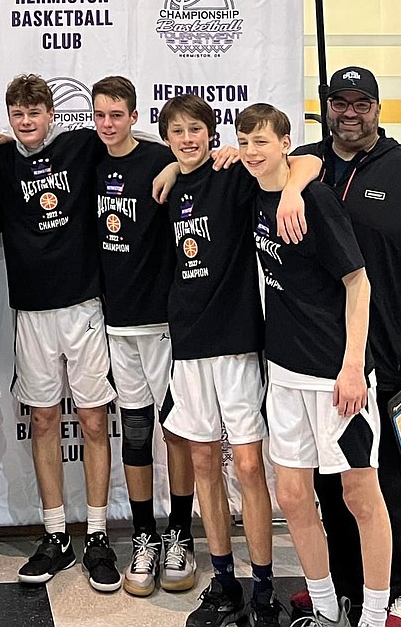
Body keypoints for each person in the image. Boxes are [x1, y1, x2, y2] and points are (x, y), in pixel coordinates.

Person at [291, 67, 401, 627]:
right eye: (338, 102)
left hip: (390, 358)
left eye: (360, 102)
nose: (349, 112)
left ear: (377, 107)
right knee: (334, 479)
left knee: (394, 480)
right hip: (322, 358)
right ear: (326, 108)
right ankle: (348, 584)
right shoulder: (304, 165)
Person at [157, 95, 319, 626]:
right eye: (176, 131)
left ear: (211, 133)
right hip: (188, 345)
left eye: (195, 129)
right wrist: (168, 169)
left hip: (238, 341)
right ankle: (223, 582)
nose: (186, 139)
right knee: (203, 462)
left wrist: (291, 186)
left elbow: (308, 160)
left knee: (249, 466)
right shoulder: (168, 185)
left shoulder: (234, 173)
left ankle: (264, 587)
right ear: (167, 137)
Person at [237, 103, 392, 627]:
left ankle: (373, 616)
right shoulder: (253, 192)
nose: (253, 151)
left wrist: (352, 366)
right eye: (245, 141)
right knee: (294, 495)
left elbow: (359, 284)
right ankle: (326, 609)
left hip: (335, 375)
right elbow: (194, 157)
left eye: (263, 142)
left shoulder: (315, 201)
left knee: (360, 495)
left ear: (287, 144)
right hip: (284, 373)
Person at [0, 74, 121, 592]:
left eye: (34, 113)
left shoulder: (82, 145)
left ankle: (100, 535)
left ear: (52, 114)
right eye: (17, 114)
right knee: (43, 420)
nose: (26, 122)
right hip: (32, 312)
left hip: (83, 305)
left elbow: (137, 146)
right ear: (9, 117)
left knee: (91, 420)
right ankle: (56, 534)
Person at [89, 76, 196, 597]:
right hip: (115, 323)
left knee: (174, 430)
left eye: (117, 115)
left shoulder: (159, 159)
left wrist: (175, 163)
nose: (107, 125)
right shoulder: (87, 158)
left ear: (133, 115)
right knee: (134, 432)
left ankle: (180, 532)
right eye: (99, 115)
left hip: (163, 324)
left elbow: (207, 164)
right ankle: (144, 535)